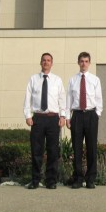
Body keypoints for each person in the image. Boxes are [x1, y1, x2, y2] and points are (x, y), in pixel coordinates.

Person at [23, 52, 66, 189]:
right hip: (38, 119)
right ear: (40, 62)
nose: (46, 62)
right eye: (44, 60)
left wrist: (63, 116)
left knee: (53, 151)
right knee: (36, 151)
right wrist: (28, 116)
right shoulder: (33, 79)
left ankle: (51, 181)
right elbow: (27, 99)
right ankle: (35, 181)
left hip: (53, 119)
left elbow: (62, 99)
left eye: (48, 60)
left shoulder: (57, 80)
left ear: (52, 63)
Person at [66, 51, 103, 189]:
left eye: (86, 61)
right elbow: (68, 99)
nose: (84, 64)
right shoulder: (72, 80)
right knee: (76, 148)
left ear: (89, 63)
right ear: (78, 62)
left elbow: (99, 98)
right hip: (77, 115)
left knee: (91, 148)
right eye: (81, 61)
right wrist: (68, 117)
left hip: (91, 115)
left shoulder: (95, 80)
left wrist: (97, 114)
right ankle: (78, 178)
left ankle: (90, 179)